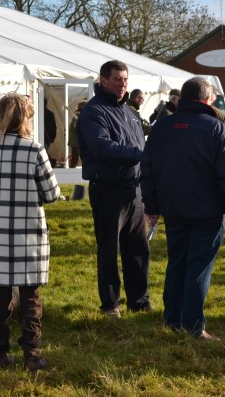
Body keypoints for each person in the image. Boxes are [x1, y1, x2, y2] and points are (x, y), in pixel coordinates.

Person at [140, 77, 225, 339]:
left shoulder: (161, 127)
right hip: (206, 210)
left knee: (177, 263)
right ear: (207, 99)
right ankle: (194, 326)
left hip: (173, 208)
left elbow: (148, 170)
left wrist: (152, 206)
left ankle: (173, 319)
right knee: (198, 266)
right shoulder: (215, 128)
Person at [0, 93, 60, 372]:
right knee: (30, 298)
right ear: (24, 119)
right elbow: (51, 194)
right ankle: (31, 355)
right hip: (28, 235)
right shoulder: (34, 150)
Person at [76, 60, 151, 318]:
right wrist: (139, 154)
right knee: (109, 249)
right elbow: (101, 147)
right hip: (108, 190)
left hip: (134, 190)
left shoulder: (130, 113)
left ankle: (139, 301)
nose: (122, 85)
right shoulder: (93, 112)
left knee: (138, 249)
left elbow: (139, 142)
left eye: (126, 80)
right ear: (103, 80)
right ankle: (110, 305)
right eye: (117, 79)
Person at [67, 100, 86, 168]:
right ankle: (71, 172)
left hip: (76, 140)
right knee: (76, 157)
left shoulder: (79, 114)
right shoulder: (78, 114)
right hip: (76, 141)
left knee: (77, 157)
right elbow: (74, 126)